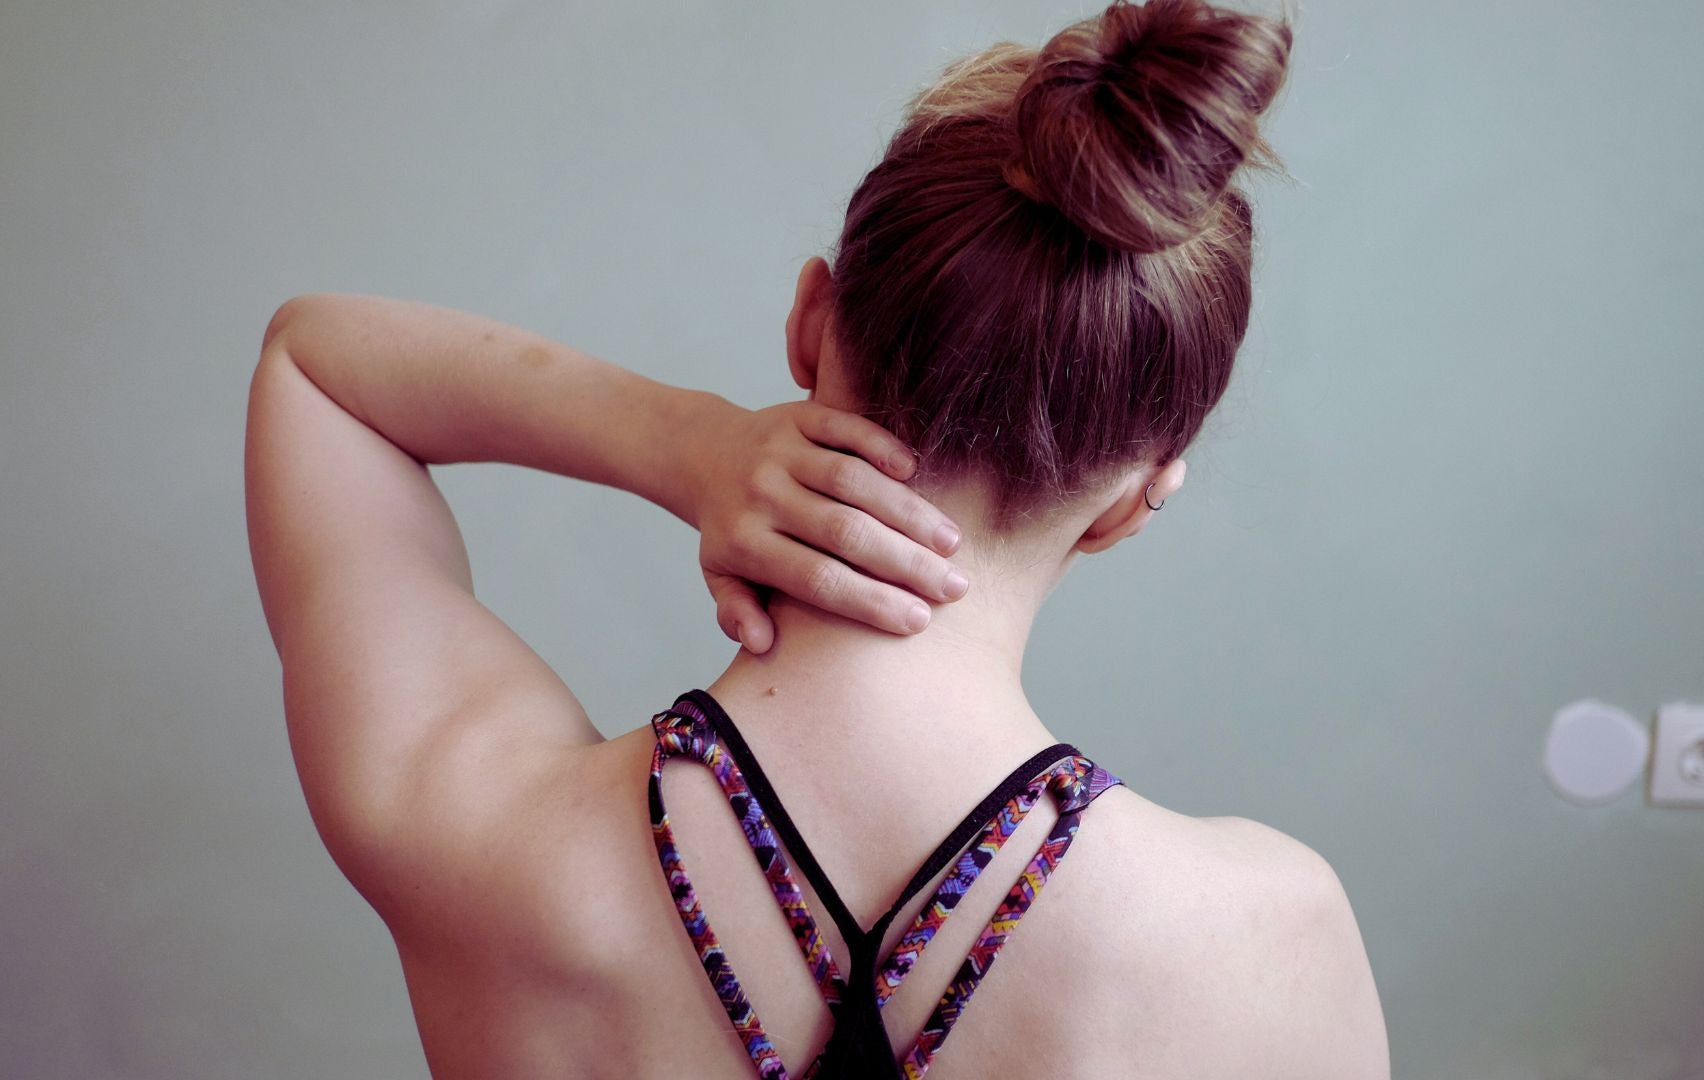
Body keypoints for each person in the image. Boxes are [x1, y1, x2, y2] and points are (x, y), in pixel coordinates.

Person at [244, 0, 1390, 1075]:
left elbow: (317, 367)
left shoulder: (484, 828)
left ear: (808, 324)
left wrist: (682, 440)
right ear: (1138, 494)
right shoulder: (1265, 947)